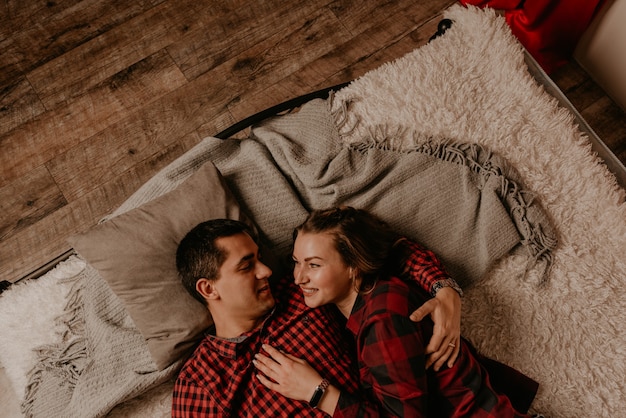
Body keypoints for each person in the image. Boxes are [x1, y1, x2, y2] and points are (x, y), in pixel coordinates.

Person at [253, 207, 539, 417]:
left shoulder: (383, 316)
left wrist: (318, 392)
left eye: (314, 265)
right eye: (295, 262)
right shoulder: (369, 300)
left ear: (354, 266)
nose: (298, 276)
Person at [171, 218, 464, 417]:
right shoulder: (201, 383)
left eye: (260, 258)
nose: (266, 271)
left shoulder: (303, 292)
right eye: (247, 266)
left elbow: (386, 249)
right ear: (208, 288)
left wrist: (443, 288)